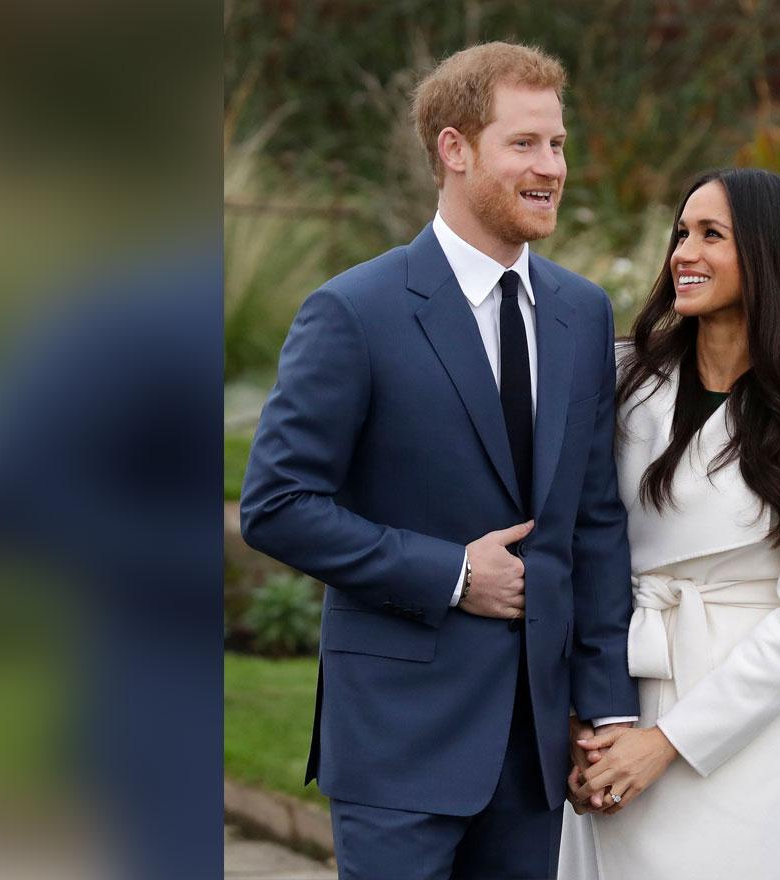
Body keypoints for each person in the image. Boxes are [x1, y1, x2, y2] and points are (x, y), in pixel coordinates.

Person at [240, 42, 639, 880]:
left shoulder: (581, 311)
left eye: (558, 144)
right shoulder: (353, 311)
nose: (551, 167)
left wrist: (603, 708)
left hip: (533, 754)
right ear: (454, 150)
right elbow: (277, 503)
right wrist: (453, 574)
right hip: (398, 746)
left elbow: (593, 523)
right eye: (523, 144)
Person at [558, 168, 780, 879]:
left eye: (711, 235)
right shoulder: (622, 379)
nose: (683, 253)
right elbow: (578, 545)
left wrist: (667, 742)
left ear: (771, 256)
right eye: (681, 233)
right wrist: (584, 719)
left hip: (744, 726)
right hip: (618, 694)